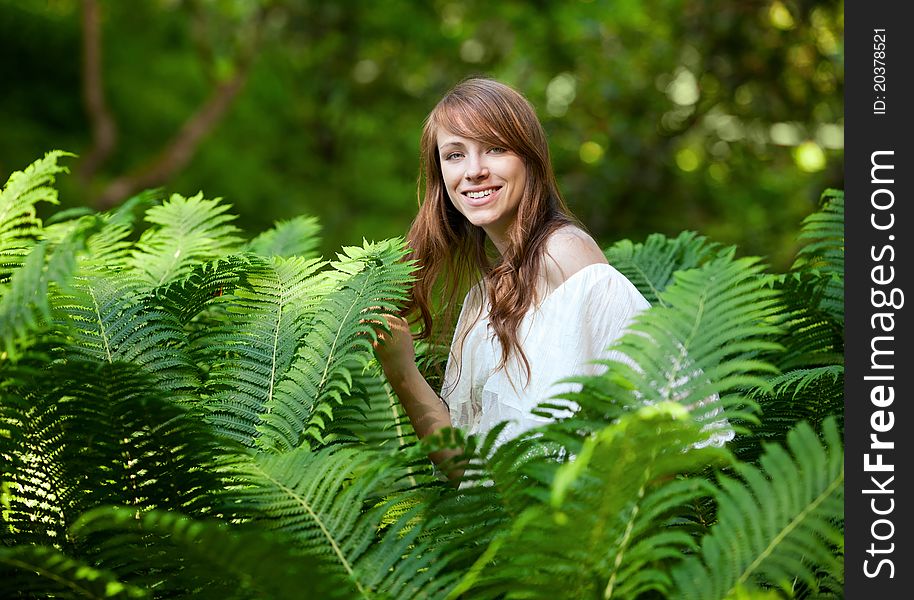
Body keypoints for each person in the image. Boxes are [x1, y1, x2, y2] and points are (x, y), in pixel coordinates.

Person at [372, 77, 728, 480]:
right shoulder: (481, 302)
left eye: (494, 148)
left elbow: (662, 428)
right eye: (455, 155)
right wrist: (401, 370)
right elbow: (467, 473)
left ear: (529, 158)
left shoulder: (567, 257)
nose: (473, 171)